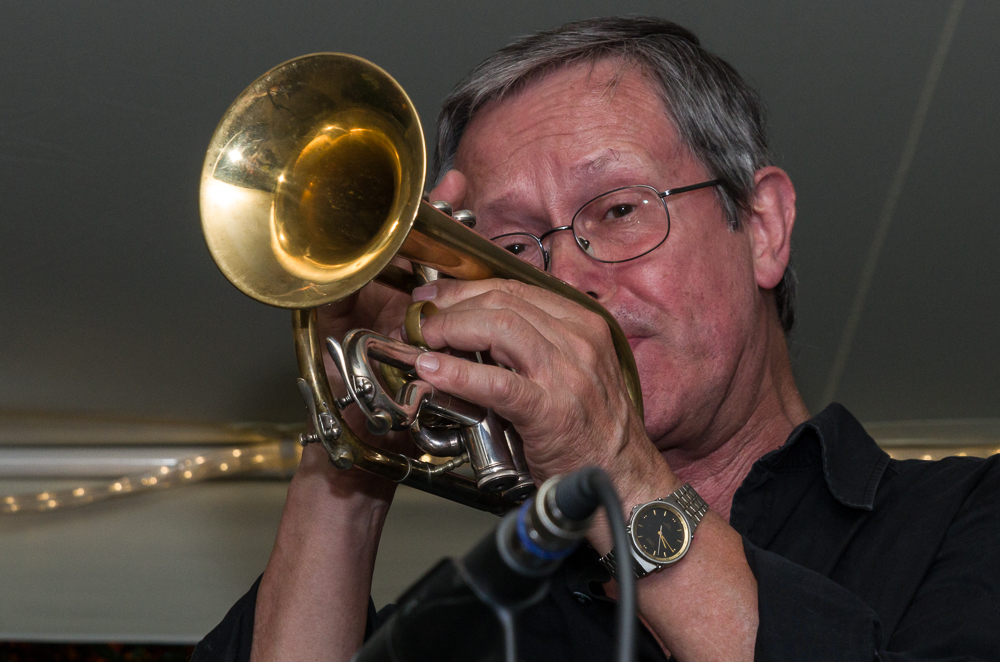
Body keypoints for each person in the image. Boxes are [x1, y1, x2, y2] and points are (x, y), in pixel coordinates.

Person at [194, 16, 1000, 662]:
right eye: (512, 249)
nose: (568, 283)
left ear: (762, 228)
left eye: (617, 210)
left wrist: (623, 476)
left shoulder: (965, 522)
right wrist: (349, 446)